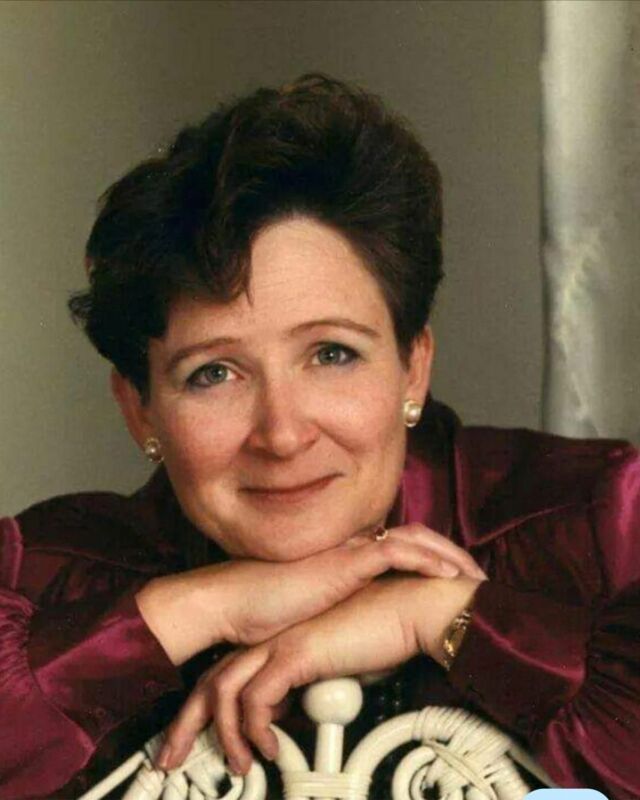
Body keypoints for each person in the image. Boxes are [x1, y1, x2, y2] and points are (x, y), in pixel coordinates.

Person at [1, 74, 639, 800]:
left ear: (413, 366)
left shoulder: (597, 524)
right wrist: (201, 608)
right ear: (140, 411)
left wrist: (442, 619)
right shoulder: (43, 580)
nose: (281, 434)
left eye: (332, 353)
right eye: (214, 373)